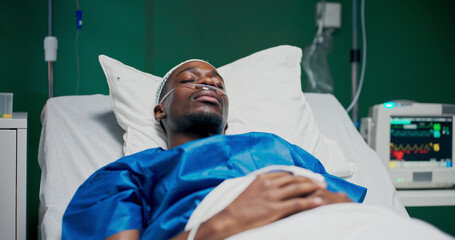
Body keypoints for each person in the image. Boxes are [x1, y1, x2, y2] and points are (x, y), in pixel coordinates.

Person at [62, 60, 366, 240]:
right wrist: (221, 224)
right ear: (159, 111)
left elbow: (347, 208)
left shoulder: (277, 146)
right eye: (189, 80)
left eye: (218, 85)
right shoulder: (128, 173)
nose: (208, 84)